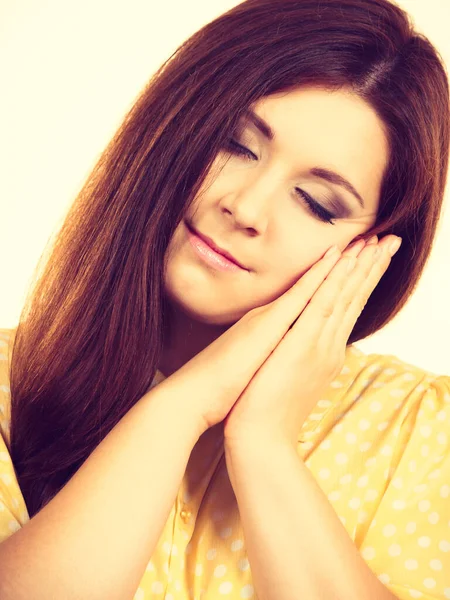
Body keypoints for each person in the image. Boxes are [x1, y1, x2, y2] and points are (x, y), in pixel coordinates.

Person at [0, 0, 449, 598]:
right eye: (235, 146)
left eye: (315, 202)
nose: (245, 207)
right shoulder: (11, 385)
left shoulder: (422, 429)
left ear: (370, 254)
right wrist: (182, 407)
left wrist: (264, 447)